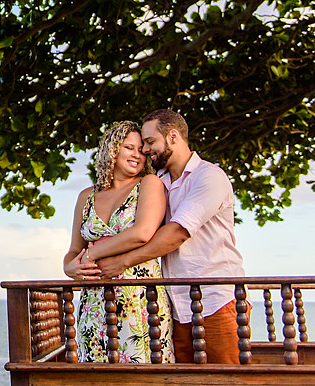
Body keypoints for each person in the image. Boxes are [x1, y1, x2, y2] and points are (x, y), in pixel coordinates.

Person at [94, 109, 247, 364]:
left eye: (150, 142)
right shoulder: (157, 182)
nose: (145, 150)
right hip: (176, 307)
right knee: (182, 380)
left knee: (226, 378)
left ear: (173, 136)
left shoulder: (209, 176)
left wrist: (122, 262)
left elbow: (177, 233)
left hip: (215, 302)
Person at [63, 121, 174, 363]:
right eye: (129, 148)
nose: (137, 155)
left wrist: (92, 255)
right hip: (94, 304)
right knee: (96, 374)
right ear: (112, 149)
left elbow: (142, 233)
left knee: (143, 371)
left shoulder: (149, 184)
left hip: (139, 300)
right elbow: (74, 250)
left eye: (141, 150)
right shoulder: (86, 196)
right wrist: (69, 267)